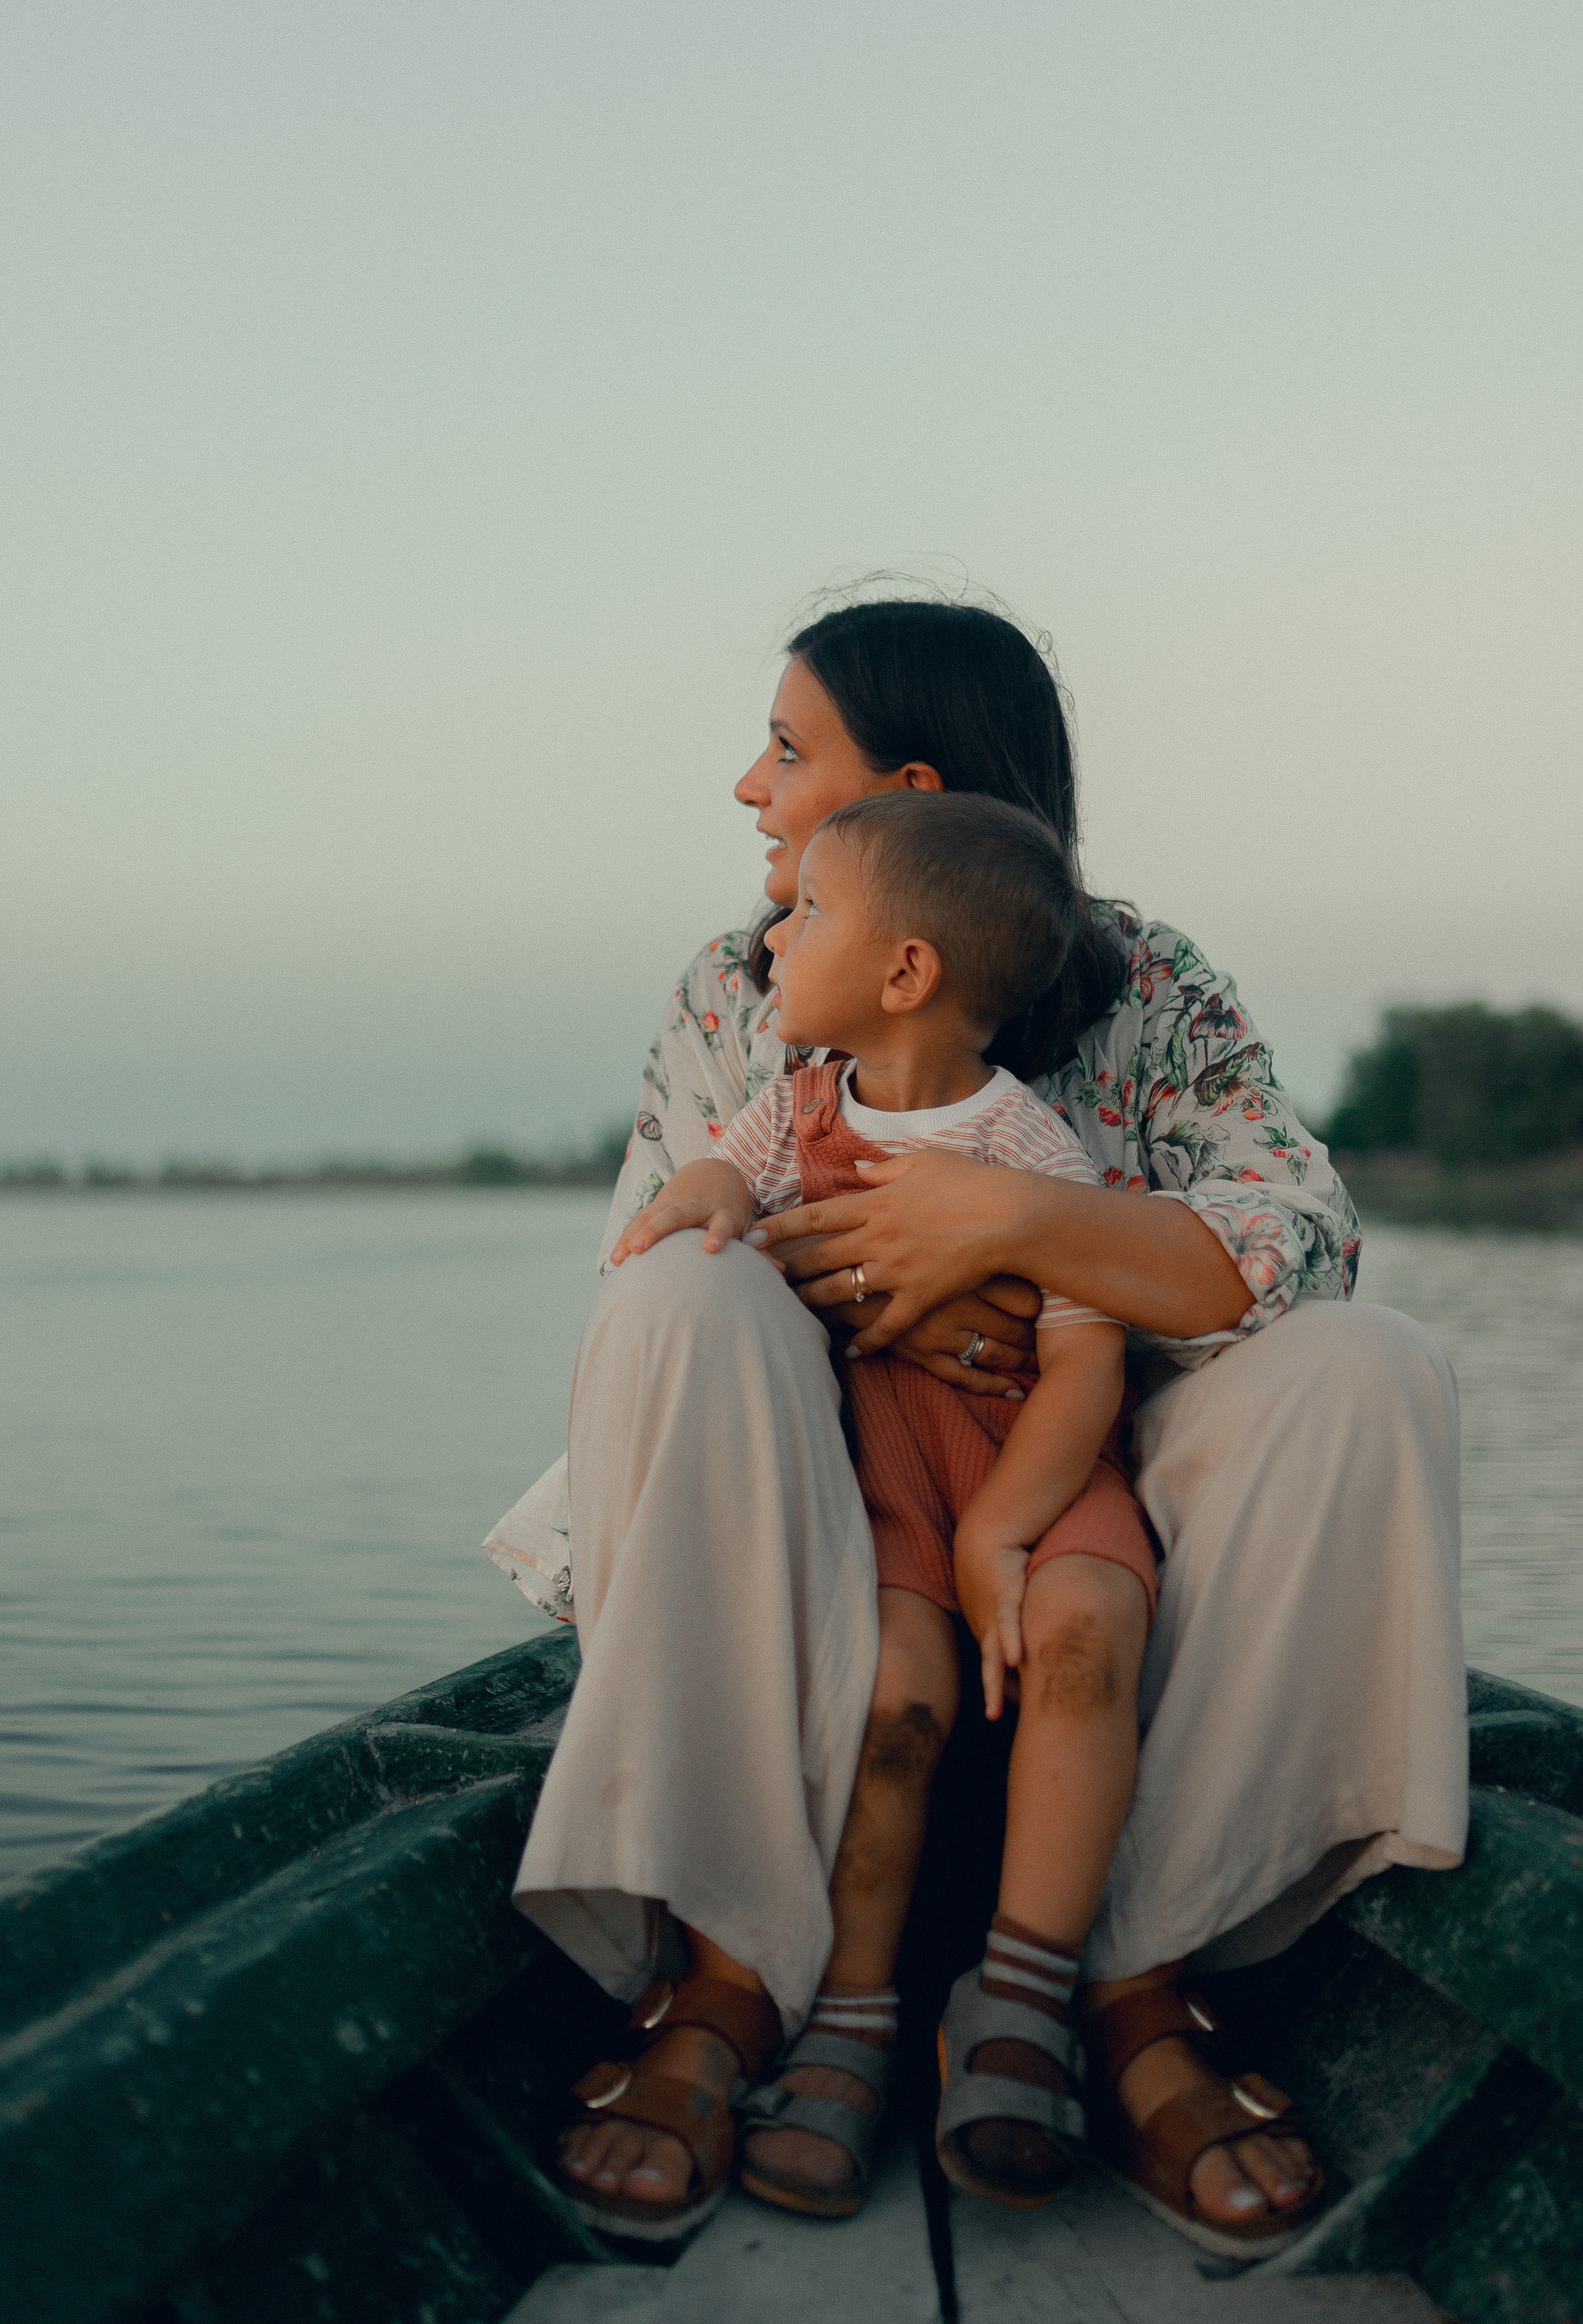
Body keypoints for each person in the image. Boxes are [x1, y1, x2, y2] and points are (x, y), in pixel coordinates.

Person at [493, 596, 1464, 2253]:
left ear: (907, 792)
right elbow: (659, 1244)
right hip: (836, 1482)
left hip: (1089, 1481)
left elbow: (1300, 1234)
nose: (745, 786)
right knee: (673, 1305)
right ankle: (722, 1970)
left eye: (787, 750)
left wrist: (1005, 1230)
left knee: (1369, 1363)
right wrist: (900, 1290)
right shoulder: (741, 995)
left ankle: (1130, 1977)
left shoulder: (1141, 986)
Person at [610, 787, 1182, 2231]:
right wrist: (701, 1211)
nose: (773, 937)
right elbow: (715, 1181)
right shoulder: (791, 1106)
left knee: (1082, 1632)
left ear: (903, 972)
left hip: (1033, 1464)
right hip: (884, 1478)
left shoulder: (1031, 1153)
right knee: (895, 1698)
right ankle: (854, 2013)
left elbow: (1085, 1356)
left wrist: (1005, 1529)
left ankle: (1026, 1997)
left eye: (804, 913)